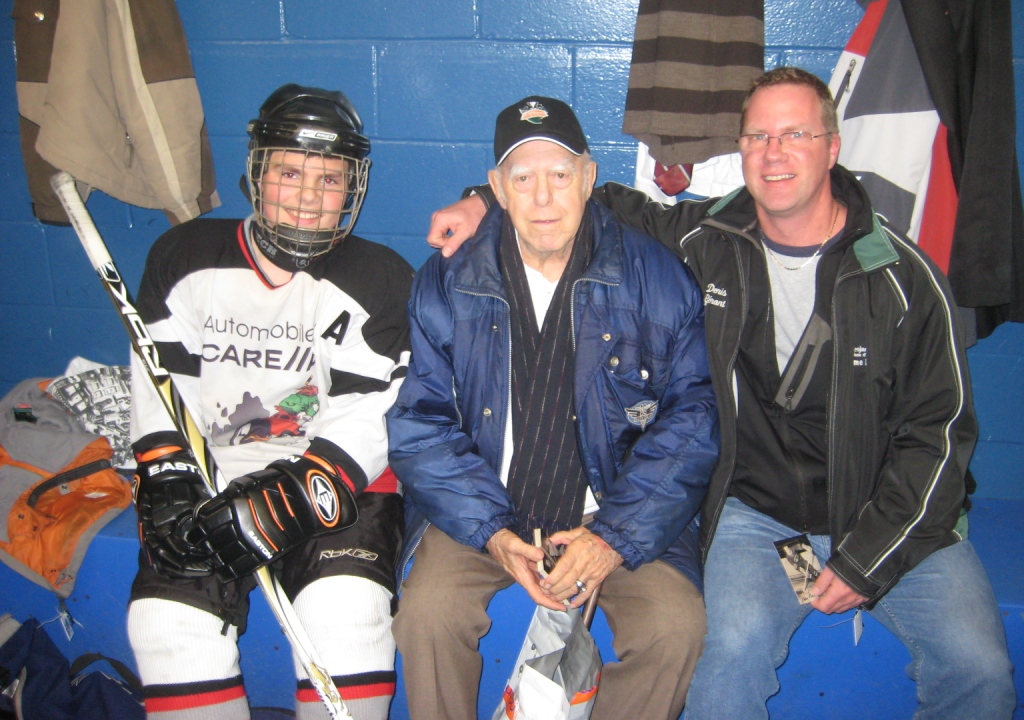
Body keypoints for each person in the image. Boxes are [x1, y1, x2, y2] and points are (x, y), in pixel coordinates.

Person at [428, 69, 1016, 718]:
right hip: (761, 517)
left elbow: (938, 436)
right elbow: (582, 200)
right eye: (758, 135)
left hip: (893, 518)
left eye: (795, 133)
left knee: (979, 669)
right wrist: (481, 201)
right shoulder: (710, 239)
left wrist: (865, 561)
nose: (774, 152)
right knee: (724, 653)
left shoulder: (902, 276)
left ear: (832, 145)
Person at [386, 96, 719, 720]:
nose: (543, 198)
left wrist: (612, 537)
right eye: (523, 178)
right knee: (427, 614)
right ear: (497, 189)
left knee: (675, 628)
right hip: (486, 507)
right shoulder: (448, 279)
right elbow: (418, 424)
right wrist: (491, 533)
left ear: (589, 178)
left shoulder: (657, 276)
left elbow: (691, 423)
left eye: (560, 175)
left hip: (614, 509)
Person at [126, 84, 412, 720]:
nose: (308, 198)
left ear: (352, 188)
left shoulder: (383, 278)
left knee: (348, 619)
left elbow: (371, 418)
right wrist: (168, 479)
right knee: (166, 625)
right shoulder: (183, 257)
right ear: (257, 172)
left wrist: (289, 496)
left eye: (329, 179)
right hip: (212, 471)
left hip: (340, 482)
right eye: (289, 171)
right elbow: (160, 385)